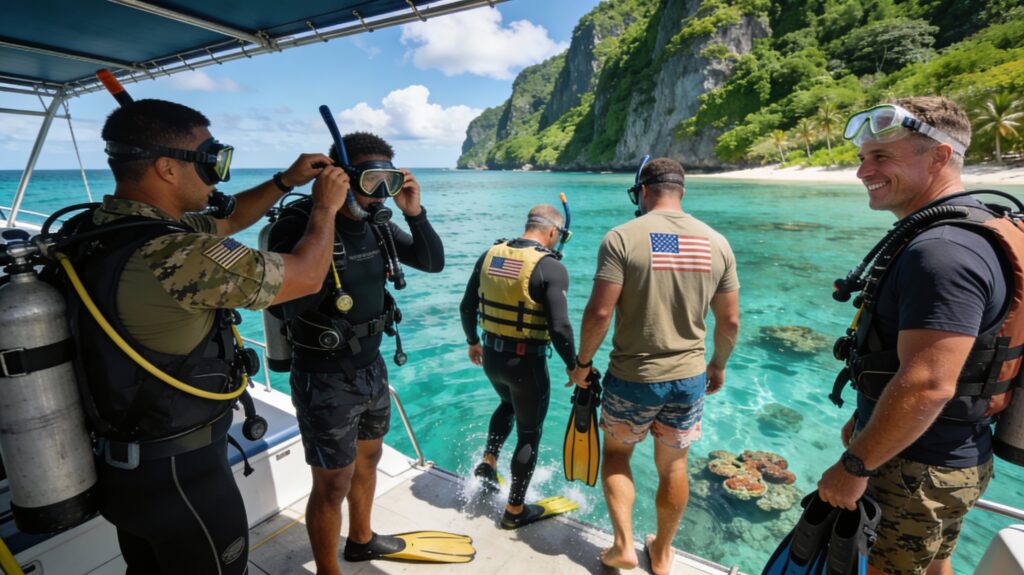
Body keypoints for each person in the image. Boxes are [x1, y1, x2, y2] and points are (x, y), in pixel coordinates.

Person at [71, 98, 348, 574]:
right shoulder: (176, 253)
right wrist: (325, 208)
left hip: (124, 470)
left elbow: (231, 219)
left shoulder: (100, 230)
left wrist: (286, 181)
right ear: (167, 168)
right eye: (211, 160)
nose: (218, 176)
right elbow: (305, 276)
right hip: (183, 476)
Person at [818, 96, 1018, 575]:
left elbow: (929, 384)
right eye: (862, 157)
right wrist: (869, 420)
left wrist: (856, 465)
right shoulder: (975, 228)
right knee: (934, 566)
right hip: (948, 457)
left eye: (881, 156)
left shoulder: (943, 252)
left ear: (939, 157)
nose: (863, 171)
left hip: (915, 468)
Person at [266, 132, 446, 575]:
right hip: (323, 376)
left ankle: (361, 540)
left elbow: (432, 261)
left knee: (369, 461)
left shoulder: (377, 225)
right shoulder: (298, 225)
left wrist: (415, 212)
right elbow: (286, 303)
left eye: (389, 181)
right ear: (341, 178)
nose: (380, 193)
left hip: (372, 367)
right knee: (332, 484)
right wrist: (325, 212)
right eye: (370, 181)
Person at [568, 157, 739, 574]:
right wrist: (718, 365)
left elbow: (599, 312)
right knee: (674, 466)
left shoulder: (622, 238)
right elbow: (730, 321)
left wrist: (582, 363)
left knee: (616, 456)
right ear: (682, 191)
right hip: (689, 378)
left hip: (633, 378)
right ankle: (661, 554)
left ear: (642, 191)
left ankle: (623, 546)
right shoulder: (716, 242)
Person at [459, 204, 577, 527]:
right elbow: (560, 328)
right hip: (526, 365)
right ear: (552, 231)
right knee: (530, 433)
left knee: (507, 404)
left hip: (491, 359)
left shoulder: (490, 255)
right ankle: (514, 511)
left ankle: (489, 460)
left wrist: (473, 341)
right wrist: (574, 365)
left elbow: (467, 307)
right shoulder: (550, 267)